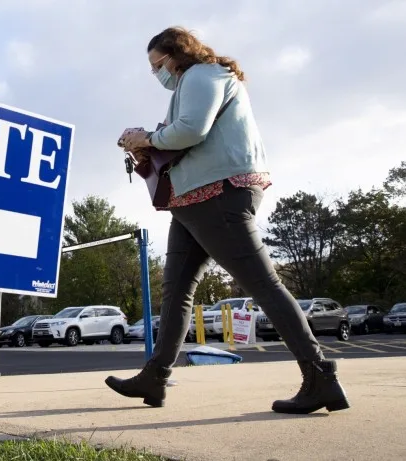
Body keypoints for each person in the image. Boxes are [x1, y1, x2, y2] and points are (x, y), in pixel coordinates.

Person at [106, 27, 350, 415]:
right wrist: (148, 148)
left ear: (177, 54)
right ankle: (155, 377)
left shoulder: (202, 74)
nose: (158, 74)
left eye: (159, 65)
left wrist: (147, 137)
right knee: (177, 292)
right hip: (193, 200)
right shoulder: (194, 80)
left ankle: (321, 377)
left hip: (215, 195)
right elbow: (187, 139)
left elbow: (190, 130)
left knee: (264, 286)